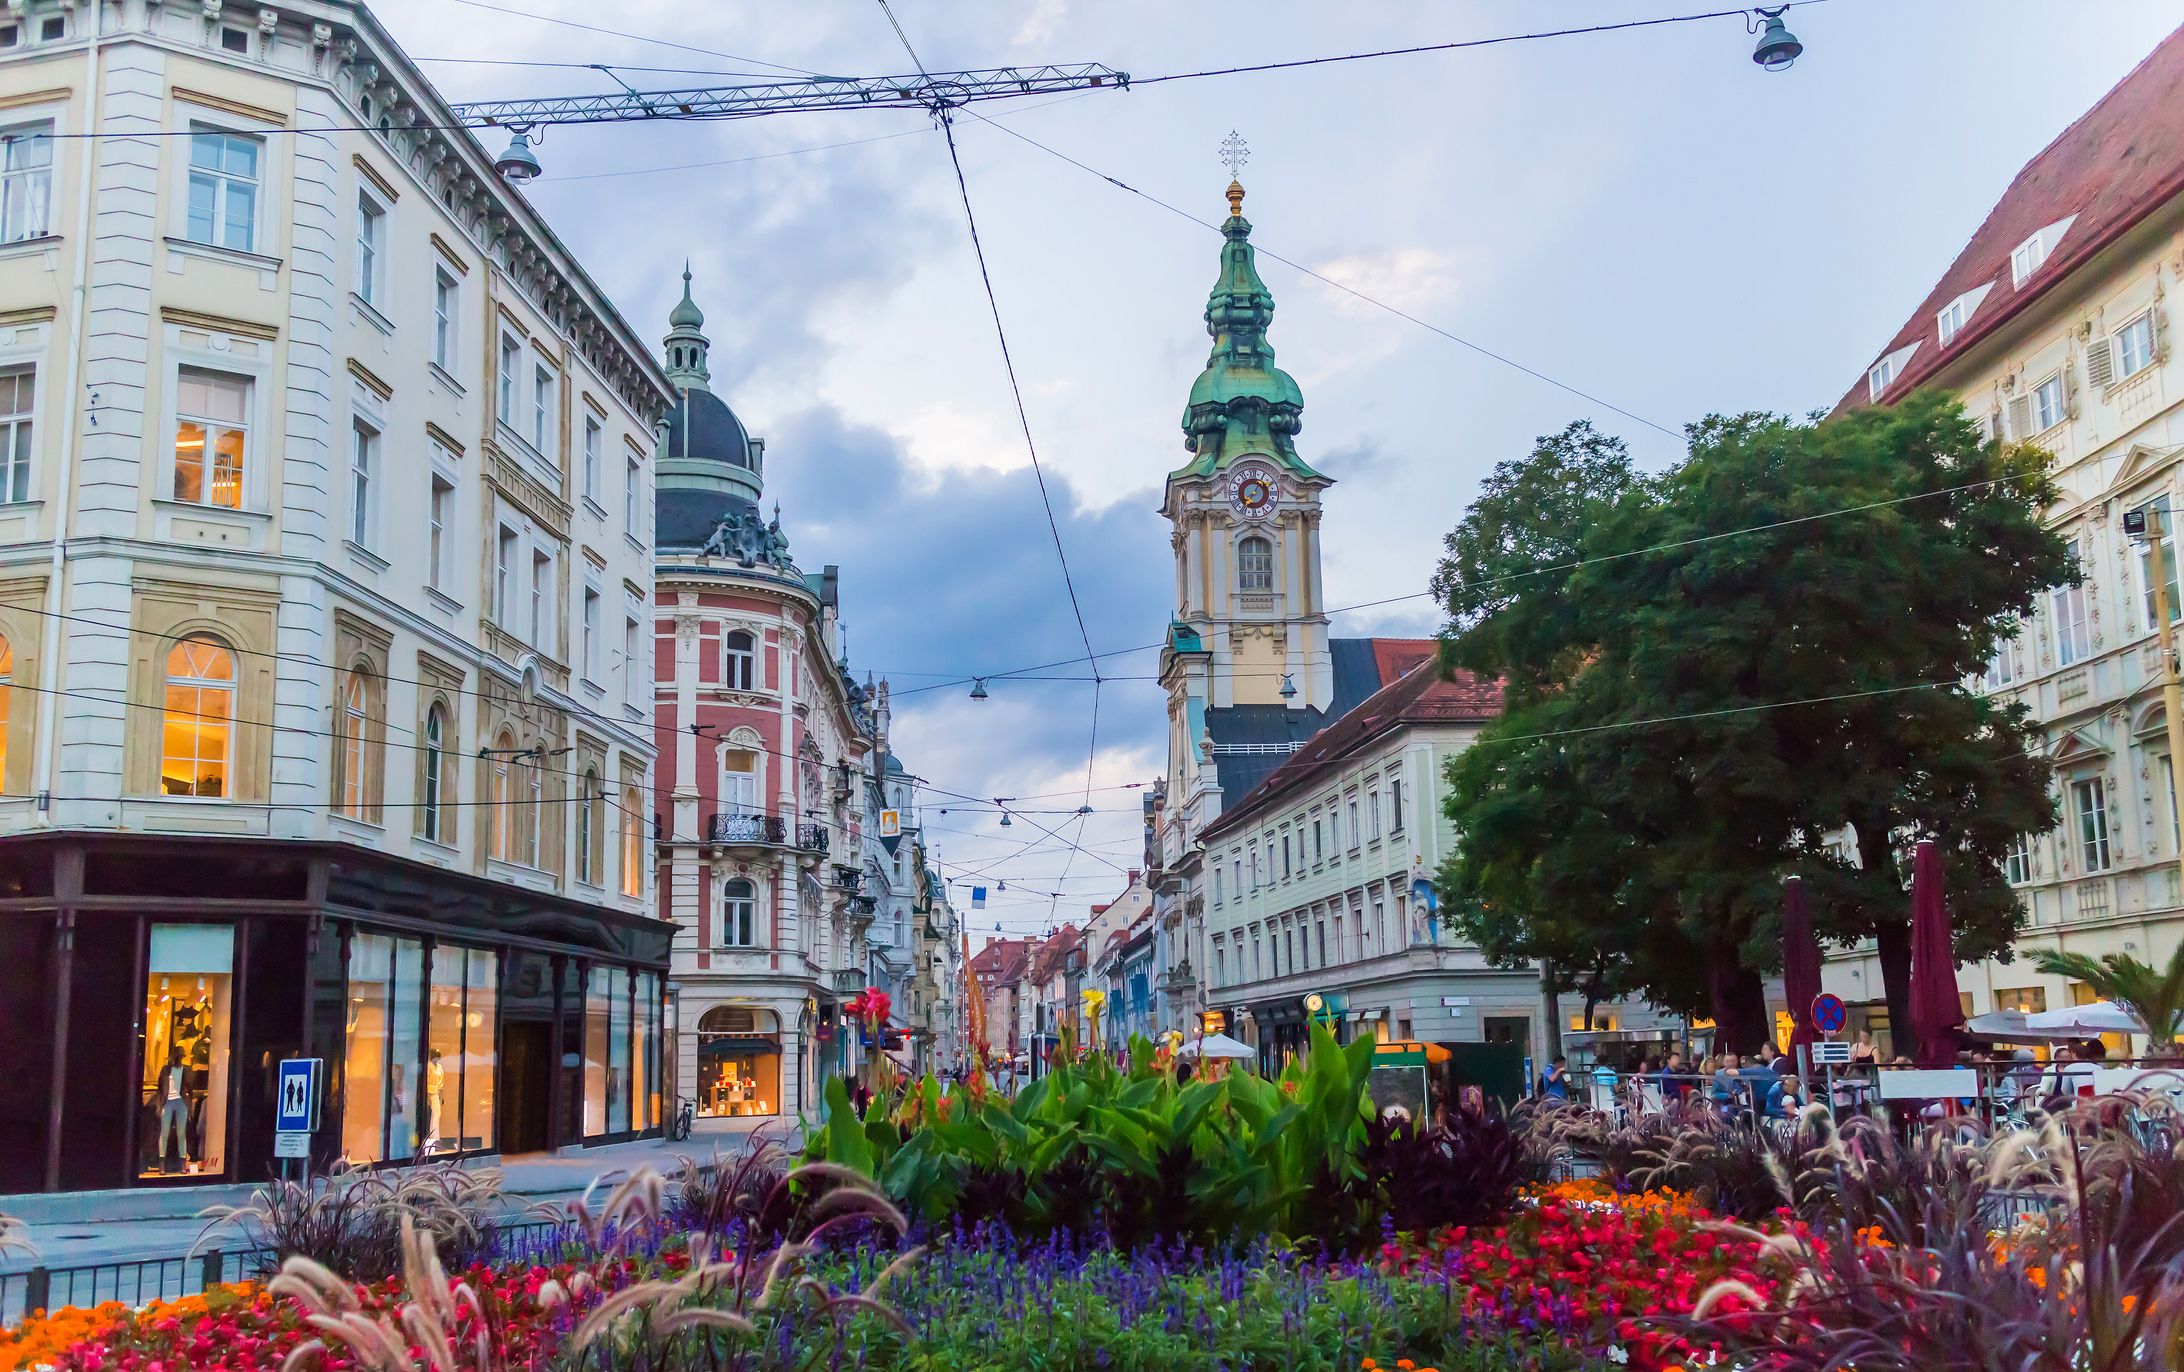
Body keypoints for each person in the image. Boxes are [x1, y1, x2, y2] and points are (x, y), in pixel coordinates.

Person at [155, 1048, 191, 1173]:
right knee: (164, 1133)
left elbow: (189, 1089)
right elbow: (160, 1089)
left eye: (180, 1056)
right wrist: (159, 1106)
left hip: (181, 1102)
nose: (178, 1059)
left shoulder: (186, 1070)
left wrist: (189, 1108)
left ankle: (182, 1164)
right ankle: (161, 1164)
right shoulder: (165, 1070)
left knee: (181, 1134)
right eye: (177, 1056)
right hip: (167, 1102)